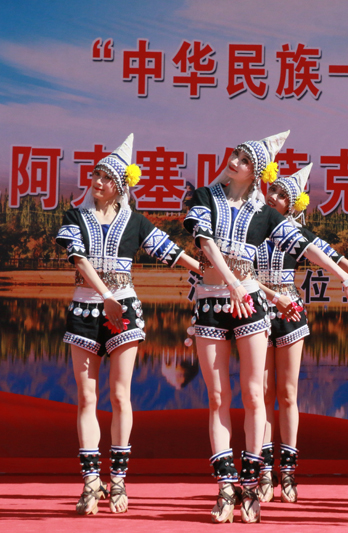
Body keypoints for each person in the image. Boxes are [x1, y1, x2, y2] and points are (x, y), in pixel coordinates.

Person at [56, 134, 200, 515]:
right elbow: (79, 259)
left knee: (121, 396)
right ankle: (91, 481)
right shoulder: (75, 218)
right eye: (96, 175)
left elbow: (169, 251)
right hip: (86, 311)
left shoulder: (135, 221)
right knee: (87, 397)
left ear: (120, 186)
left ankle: (118, 479)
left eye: (106, 177)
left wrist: (205, 269)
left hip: (124, 312)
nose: (98, 182)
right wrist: (105, 294)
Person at [182, 130, 320, 523]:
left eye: (244, 159)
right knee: (218, 397)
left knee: (263, 394)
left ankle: (261, 479)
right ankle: (226, 487)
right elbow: (205, 243)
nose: (235, 161)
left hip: (258, 306)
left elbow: (313, 247)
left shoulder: (265, 217)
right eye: (235, 154)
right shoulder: (206, 198)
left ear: (255, 172)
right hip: (218, 300)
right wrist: (232, 283)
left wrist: (346, 277)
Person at [254, 163, 348, 504]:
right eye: (272, 190)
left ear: (293, 205)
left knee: (288, 393)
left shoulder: (296, 233)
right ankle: (264, 471)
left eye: (282, 195)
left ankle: (289, 471)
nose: (273, 197)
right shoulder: (250, 226)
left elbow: (334, 259)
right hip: (257, 308)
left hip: (290, 310)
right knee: (262, 393)